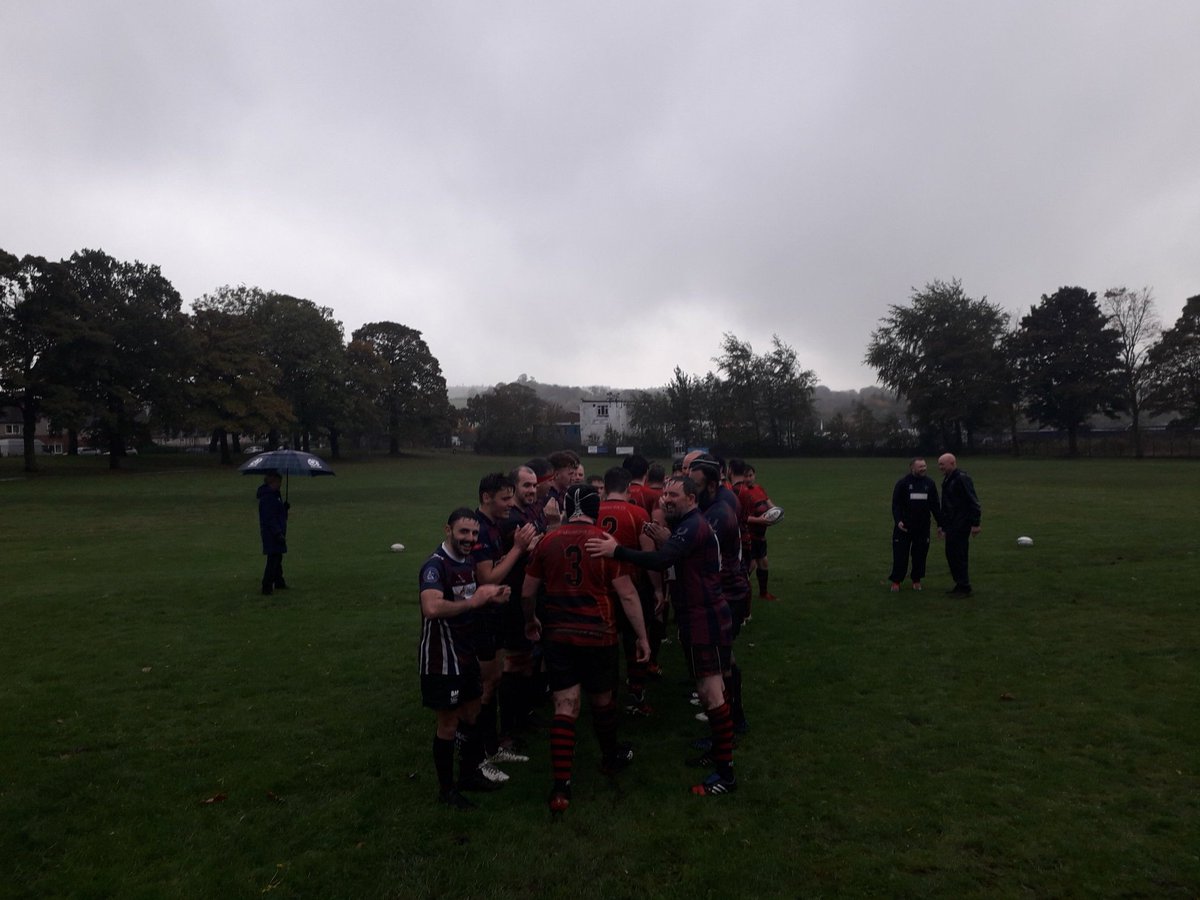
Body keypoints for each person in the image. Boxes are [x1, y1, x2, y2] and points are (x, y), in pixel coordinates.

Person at [587, 475, 737, 797]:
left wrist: (617, 551)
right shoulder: (688, 525)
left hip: (703, 617)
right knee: (716, 688)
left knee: (710, 693)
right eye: (665, 494)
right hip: (705, 613)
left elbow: (660, 559)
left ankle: (725, 773)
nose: (666, 499)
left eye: (674, 495)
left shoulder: (692, 526)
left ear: (692, 499)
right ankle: (718, 748)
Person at [522, 483, 649, 814]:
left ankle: (561, 786)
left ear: (566, 507)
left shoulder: (548, 540)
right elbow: (627, 594)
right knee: (603, 700)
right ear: (596, 509)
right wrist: (642, 636)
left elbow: (527, 591)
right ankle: (610, 759)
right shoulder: (604, 544)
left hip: (558, 634)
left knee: (565, 703)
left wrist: (531, 620)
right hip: (599, 633)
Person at [418, 508, 514, 808]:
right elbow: (431, 608)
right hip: (441, 659)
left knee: (472, 712)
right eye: (463, 532)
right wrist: (474, 601)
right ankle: (447, 791)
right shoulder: (435, 567)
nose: (469, 539)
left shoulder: (469, 562)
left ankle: (470, 774)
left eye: (473, 533)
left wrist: (490, 597)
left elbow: (470, 601)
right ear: (448, 530)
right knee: (448, 723)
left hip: (466, 652)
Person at [471, 473, 540, 781]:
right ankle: (480, 755)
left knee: (495, 680)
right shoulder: (480, 531)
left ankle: (492, 745)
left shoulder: (494, 526)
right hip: (481, 619)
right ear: (486, 497)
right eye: (505, 498)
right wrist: (518, 549)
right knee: (485, 687)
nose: (511, 504)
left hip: (494, 614)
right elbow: (487, 578)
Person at [888, 457, 943, 592]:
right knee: (900, 555)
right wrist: (898, 520)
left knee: (920, 555)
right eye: (920, 467)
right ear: (912, 468)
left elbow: (935, 506)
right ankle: (896, 581)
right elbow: (896, 505)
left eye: (924, 466)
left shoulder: (929, 484)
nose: (924, 468)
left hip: (922, 527)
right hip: (904, 527)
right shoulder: (903, 483)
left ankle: (916, 580)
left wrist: (940, 524)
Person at [937, 453, 982, 596]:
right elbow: (946, 505)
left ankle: (964, 586)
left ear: (952, 463)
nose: (940, 468)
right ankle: (959, 583)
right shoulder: (948, 479)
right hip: (951, 524)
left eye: (942, 464)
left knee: (959, 555)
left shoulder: (962, 478)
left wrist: (975, 524)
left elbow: (973, 501)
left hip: (961, 524)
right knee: (951, 554)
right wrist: (943, 526)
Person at [257, 471, 289, 596]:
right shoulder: (268, 497)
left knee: (277, 556)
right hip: (272, 533)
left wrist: (284, 509)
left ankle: (279, 581)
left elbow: (278, 513)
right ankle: (267, 585)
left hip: (276, 530)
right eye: (278, 482)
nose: (280, 485)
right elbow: (269, 518)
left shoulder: (275, 495)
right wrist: (277, 533)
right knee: (273, 558)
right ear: (272, 482)